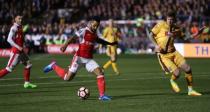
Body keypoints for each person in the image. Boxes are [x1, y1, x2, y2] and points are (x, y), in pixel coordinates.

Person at [43, 17, 117, 101]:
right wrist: (65, 45)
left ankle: (102, 95)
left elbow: (99, 40)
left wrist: (110, 43)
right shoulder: (84, 31)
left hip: (88, 60)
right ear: (91, 22)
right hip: (79, 58)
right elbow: (73, 38)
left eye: (97, 26)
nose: (96, 27)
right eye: (95, 25)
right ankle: (54, 66)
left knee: (100, 73)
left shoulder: (94, 34)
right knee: (67, 78)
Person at [149, 11, 204, 96]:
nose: (170, 21)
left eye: (171, 19)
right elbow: (150, 35)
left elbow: (185, 37)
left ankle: (190, 90)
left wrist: (197, 33)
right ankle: (172, 80)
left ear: (174, 20)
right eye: (168, 19)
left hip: (174, 52)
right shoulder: (161, 25)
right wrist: (156, 45)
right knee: (177, 73)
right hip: (164, 55)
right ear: (166, 19)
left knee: (188, 68)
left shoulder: (176, 28)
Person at [0, 15, 37, 89]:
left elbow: (19, 38)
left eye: (21, 19)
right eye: (19, 19)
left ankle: (27, 83)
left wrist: (23, 43)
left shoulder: (20, 27)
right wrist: (18, 46)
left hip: (21, 51)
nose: (20, 20)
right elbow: (9, 39)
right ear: (15, 20)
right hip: (16, 52)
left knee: (28, 65)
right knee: (8, 69)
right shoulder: (13, 28)